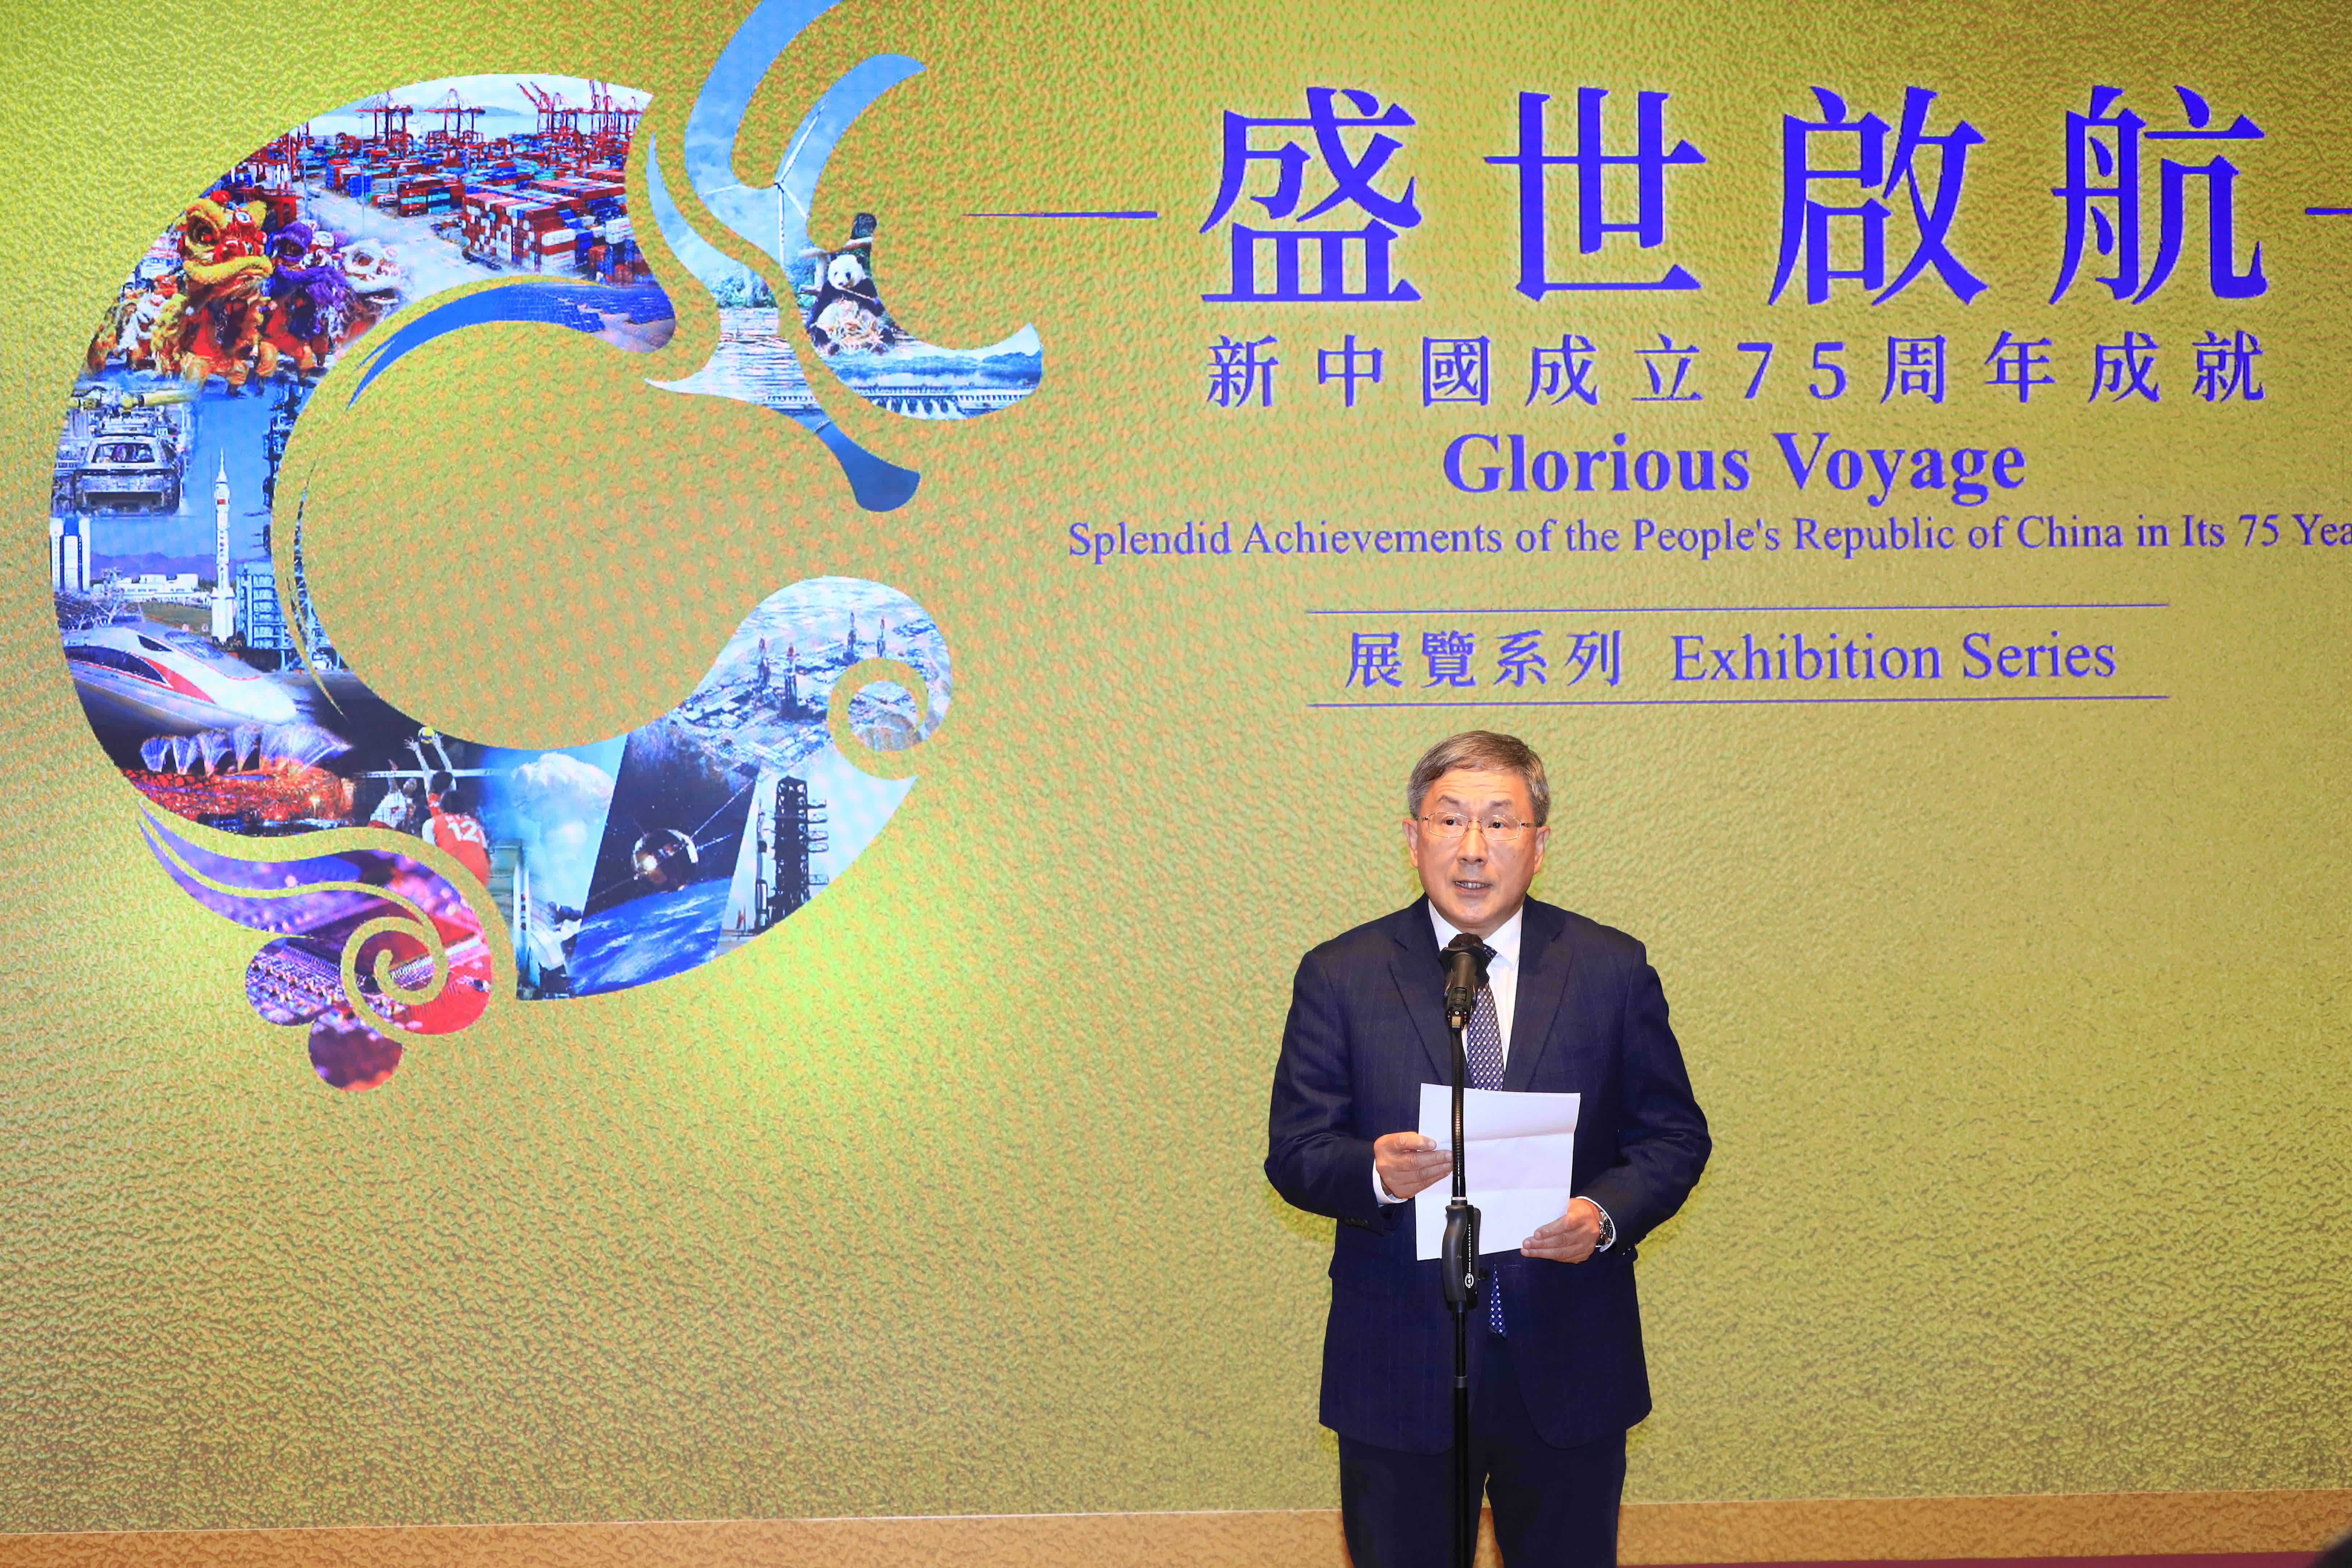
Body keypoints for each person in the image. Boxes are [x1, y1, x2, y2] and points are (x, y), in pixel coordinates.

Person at [1265, 731, 1711, 1568]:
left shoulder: (1611, 969)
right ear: (1413, 838)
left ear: (1539, 844)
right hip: (1398, 1365)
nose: (1473, 848)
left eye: (1500, 822)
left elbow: (1674, 1134)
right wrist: (1374, 1173)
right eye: (1450, 820)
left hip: (1569, 1357)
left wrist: (1602, 1214)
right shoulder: (1341, 974)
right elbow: (1294, 1151)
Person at [421, 772, 493, 886]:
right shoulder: (474, 822)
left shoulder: (432, 822)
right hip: (481, 874)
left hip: (454, 874)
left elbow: (430, 856)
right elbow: (486, 853)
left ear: (443, 807)